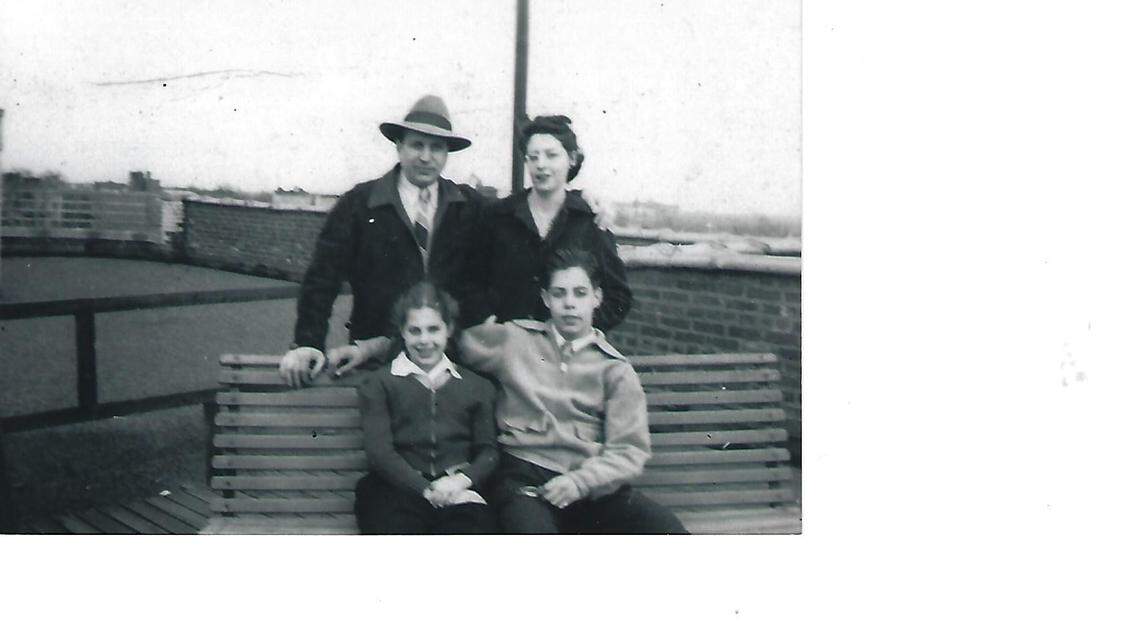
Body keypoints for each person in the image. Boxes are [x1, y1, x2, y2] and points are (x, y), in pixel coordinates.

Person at [459, 249, 686, 534]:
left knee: (668, 530)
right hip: (525, 480)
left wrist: (580, 483)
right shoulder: (513, 340)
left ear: (597, 297)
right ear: (545, 299)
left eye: (580, 293)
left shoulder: (614, 369)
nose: (569, 304)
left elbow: (629, 450)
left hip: (590, 486)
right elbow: (453, 343)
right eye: (559, 293)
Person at [279, 94, 489, 387]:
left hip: (449, 356)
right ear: (399, 145)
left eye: (436, 148)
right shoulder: (359, 204)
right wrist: (307, 342)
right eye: (417, 145)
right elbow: (322, 278)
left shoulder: (469, 206)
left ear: (446, 154)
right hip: (374, 357)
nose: (426, 157)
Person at [353, 281, 499, 534]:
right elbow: (380, 453)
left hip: (458, 489)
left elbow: (488, 452)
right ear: (402, 331)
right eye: (415, 330)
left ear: (448, 329)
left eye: (433, 330)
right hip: (397, 488)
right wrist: (428, 490)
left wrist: (460, 483)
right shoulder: (379, 384)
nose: (424, 340)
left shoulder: (477, 387)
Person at [466, 115, 632, 332]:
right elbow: (470, 281)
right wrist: (490, 324)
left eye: (551, 155)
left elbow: (618, 297)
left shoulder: (589, 220)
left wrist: (578, 331)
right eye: (533, 157)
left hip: (568, 356)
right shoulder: (499, 216)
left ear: (572, 158)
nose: (541, 165)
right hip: (508, 352)